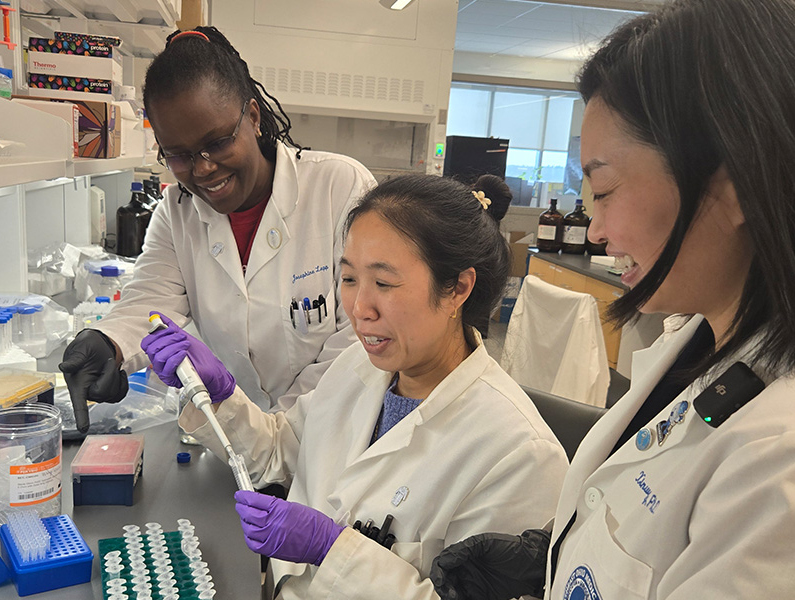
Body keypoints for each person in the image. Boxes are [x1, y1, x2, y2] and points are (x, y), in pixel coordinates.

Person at [429, 0, 795, 598]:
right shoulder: (713, 339)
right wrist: (557, 551)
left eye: (606, 190)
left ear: (738, 183)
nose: (599, 231)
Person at [142, 174, 568, 598]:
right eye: (348, 279)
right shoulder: (359, 366)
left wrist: (332, 551)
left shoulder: (520, 455)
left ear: (457, 288)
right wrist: (219, 397)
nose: (360, 308)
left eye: (383, 283)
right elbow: (278, 454)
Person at [58, 26, 376, 431]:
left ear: (254, 117)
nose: (204, 167)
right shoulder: (177, 213)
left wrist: (279, 432)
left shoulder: (340, 187)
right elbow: (150, 303)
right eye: (179, 155)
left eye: (219, 141)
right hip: (238, 443)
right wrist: (107, 341)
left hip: (334, 432)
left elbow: (361, 335)